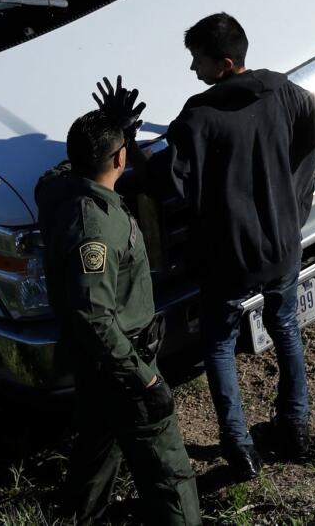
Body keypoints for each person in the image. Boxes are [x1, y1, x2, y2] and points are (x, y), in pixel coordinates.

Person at [100, 13, 315, 482]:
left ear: (224, 63)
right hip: (284, 250)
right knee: (285, 327)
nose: (193, 71)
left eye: (197, 61)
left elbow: (160, 181)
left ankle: (239, 447)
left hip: (226, 261)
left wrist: (125, 132)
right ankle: (296, 428)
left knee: (220, 346)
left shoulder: (197, 119)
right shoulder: (287, 93)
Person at [35, 109, 202, 526]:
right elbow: (94, 316)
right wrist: (144, 378)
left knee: (96, 448)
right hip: (123, 365)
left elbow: (51, 178)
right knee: (169, 473)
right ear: (119, 160)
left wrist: (114, 132)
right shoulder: (95, 228)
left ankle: (78, 517)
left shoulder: (58, 190)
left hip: (95, 367)